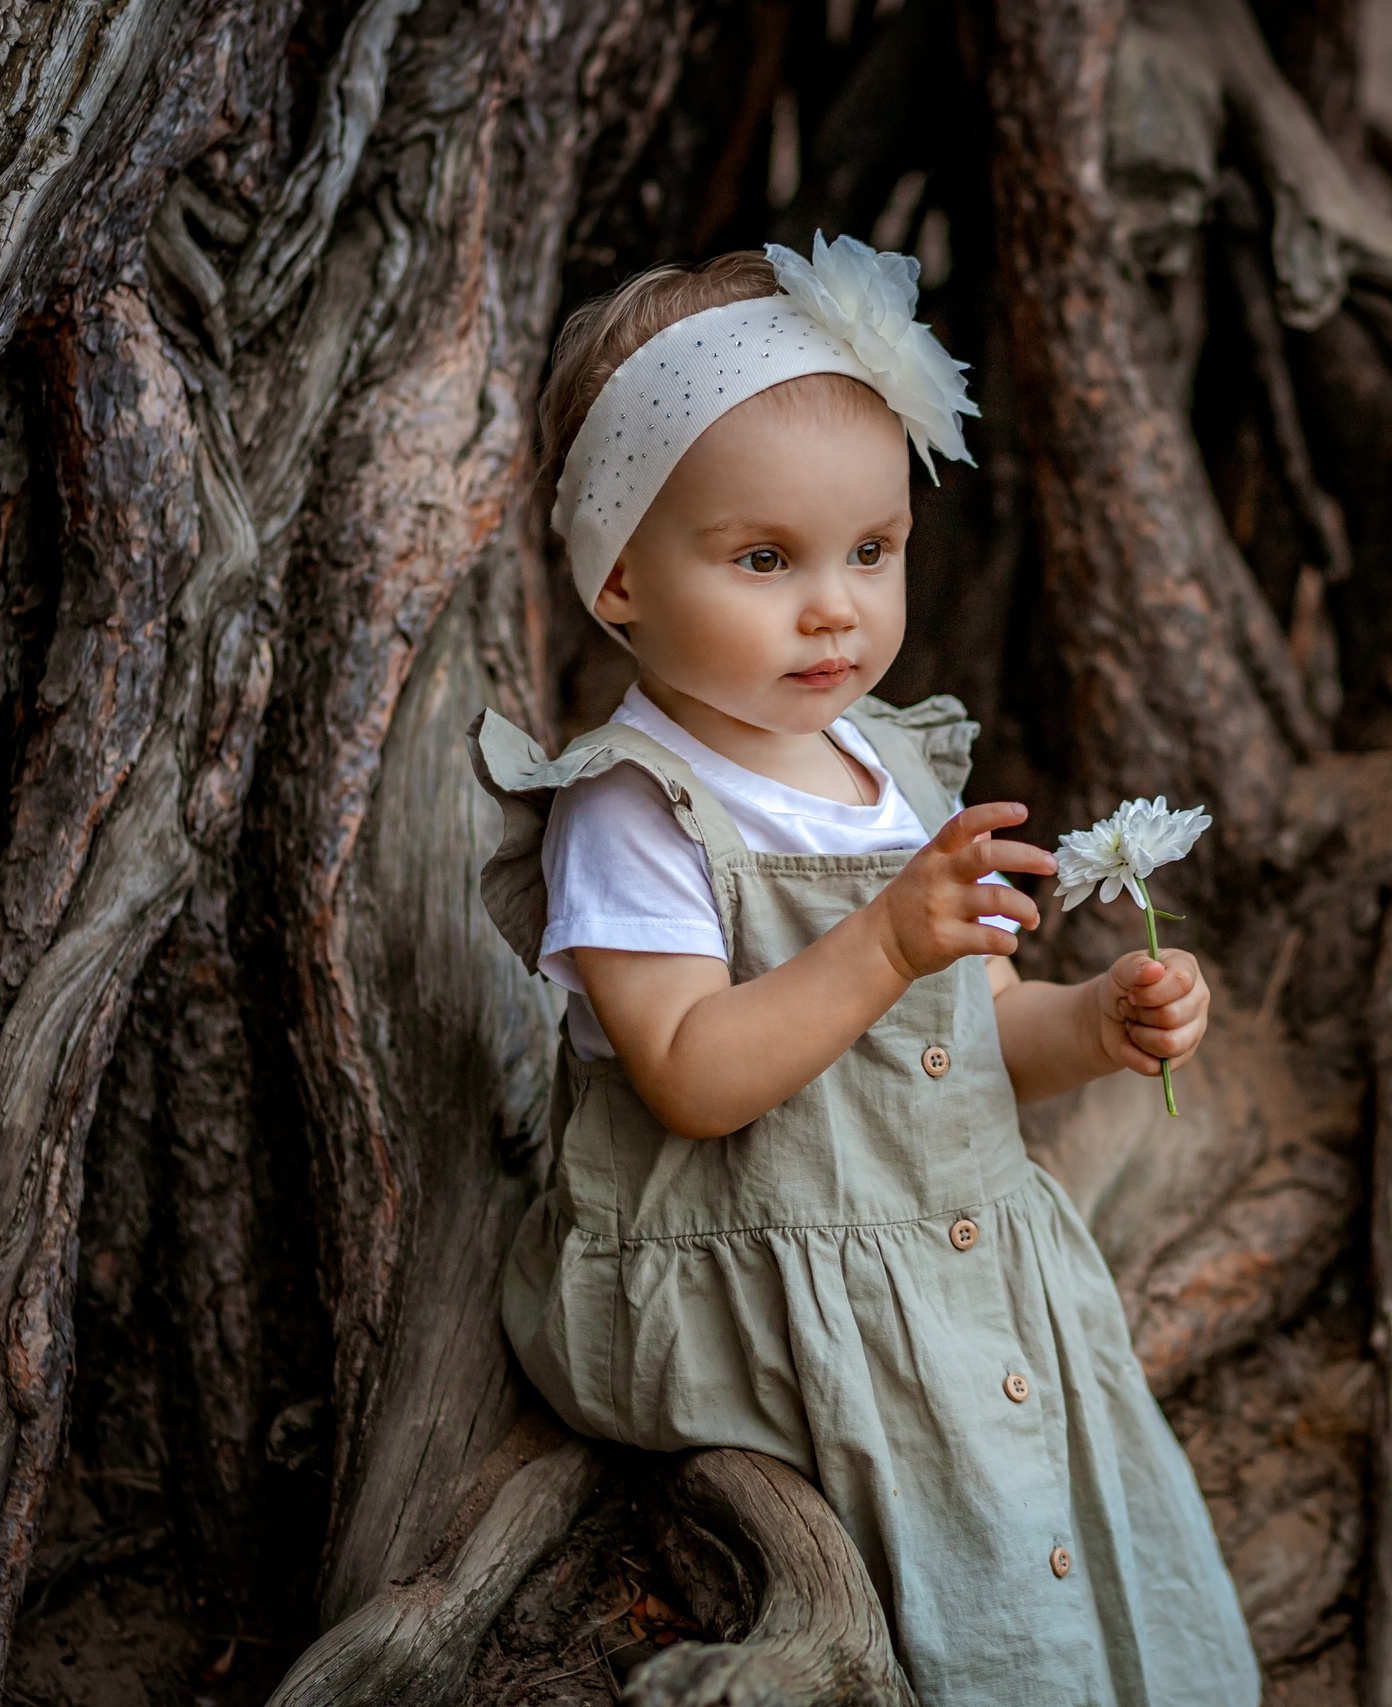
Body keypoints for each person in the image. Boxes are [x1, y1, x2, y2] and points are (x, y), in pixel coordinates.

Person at [468, 235, 1260, 1706]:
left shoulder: (886, 760)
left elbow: (964, 1039)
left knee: (1083, 1518)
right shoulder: (640, 807)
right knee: (967, 1562)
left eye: (871, 551)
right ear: (621, 575)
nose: (834, 607)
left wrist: (1096, 1024)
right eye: (764, 560)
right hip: (757, 1269)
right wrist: (886, 937)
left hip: (953, 1242)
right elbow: (696, 1075)